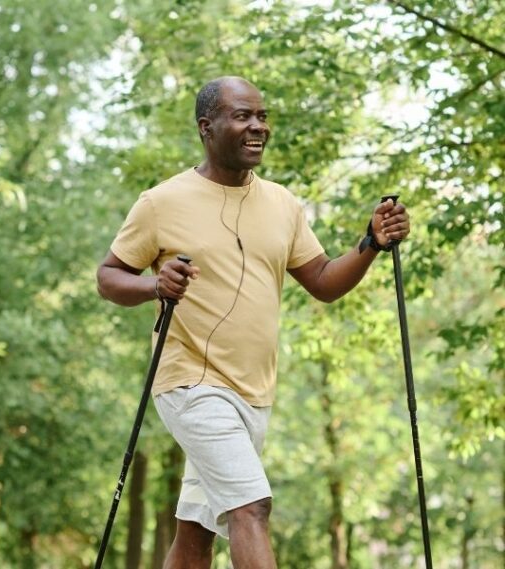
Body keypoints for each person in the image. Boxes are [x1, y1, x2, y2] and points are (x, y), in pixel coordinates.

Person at [96, 76, 410, 569]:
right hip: (191, 383)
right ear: (207, 127)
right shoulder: (161, 202)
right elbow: (109, 277)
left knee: (196, 533)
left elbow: (324, 281)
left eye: (262, 116)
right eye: (243, 116)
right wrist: (155, 286)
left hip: (254, 392)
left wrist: (370, 243)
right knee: (251, 507)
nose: (257, 127)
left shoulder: (282, 204)